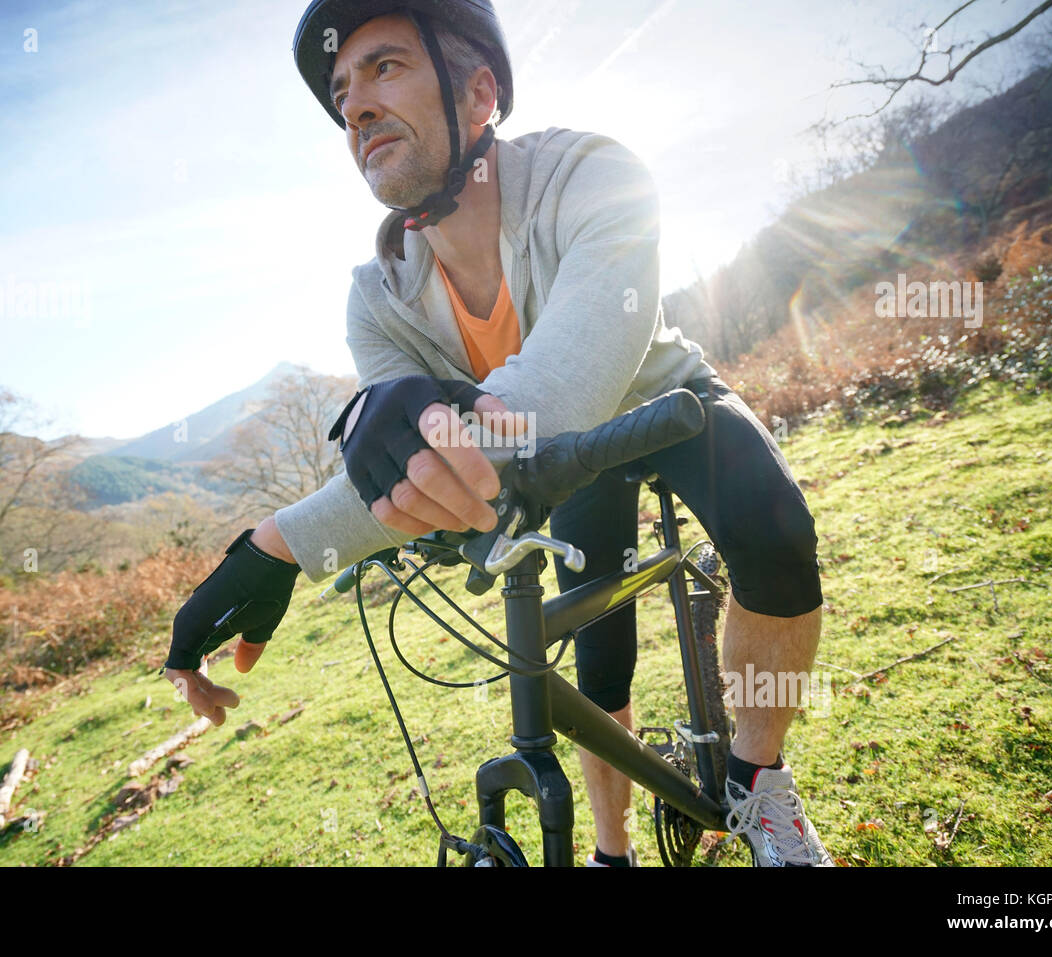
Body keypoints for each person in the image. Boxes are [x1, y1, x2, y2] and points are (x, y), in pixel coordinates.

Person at [163, 0, 833, 867]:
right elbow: (428, 477)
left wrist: (282, 542)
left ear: (480, 93)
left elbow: (557, 391)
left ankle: (758, 782)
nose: (355, 106)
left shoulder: (595, 173)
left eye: (386, 68)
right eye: (341, 92)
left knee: (775, 525)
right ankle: (610, 848)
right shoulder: (377, 298)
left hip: (660, 395)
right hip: (555, 460)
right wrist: (344, 485)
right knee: (598, 653)